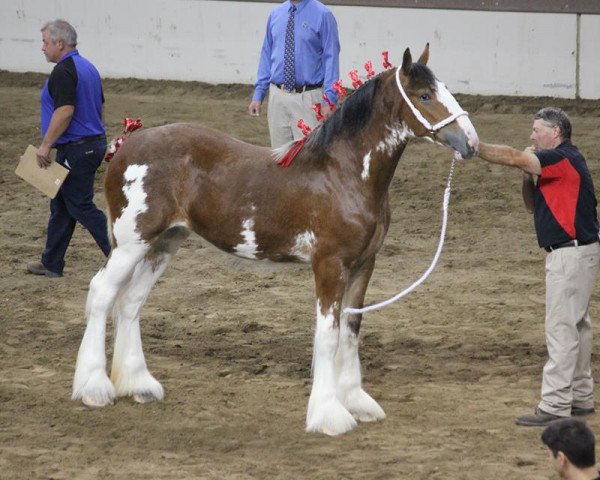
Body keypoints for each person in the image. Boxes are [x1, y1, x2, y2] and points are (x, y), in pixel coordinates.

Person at [476, 107, 600, 426]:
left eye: (536, 130)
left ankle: (556, 403)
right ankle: (581, 397)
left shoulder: (561, 159)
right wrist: (527, 175)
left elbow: (516, 157)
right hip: (579, 252)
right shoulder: (562, 163)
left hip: (569, 255)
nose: (531, 136)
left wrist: (475, 146)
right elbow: (533, 206)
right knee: (577, 326)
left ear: (555, 132)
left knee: (561, 327)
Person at [26, 19, 110, 278]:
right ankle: (51, 262)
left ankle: (120, 255)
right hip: (89, 144)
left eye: (45, 42)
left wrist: (45, 146)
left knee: (80, 206)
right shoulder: (88, 67)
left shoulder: (64, 71)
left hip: (76, 148)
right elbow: (100, 107)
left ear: (59, 43)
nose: (42, 47)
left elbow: (64, 112)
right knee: (62, 204)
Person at [248, 0, 340, 148]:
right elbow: (266, 54)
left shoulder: (323, 15)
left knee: (309, 158)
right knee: (279, 158)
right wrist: (258, 94)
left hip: (308, 98)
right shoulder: (275, 14)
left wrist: (329, 99)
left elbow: (331, 58)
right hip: (278, 97)